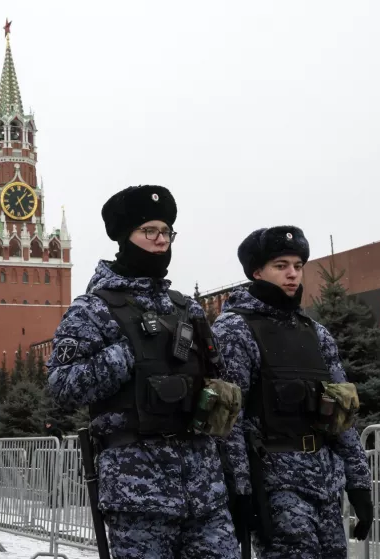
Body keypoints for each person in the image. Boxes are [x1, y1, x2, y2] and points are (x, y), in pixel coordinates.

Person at [47, 185, 241, 558]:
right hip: (138, 495)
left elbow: (220, 390)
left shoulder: (187, 309)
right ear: (125, 237)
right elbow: (62, 385)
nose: (160, 241)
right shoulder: (93, 309)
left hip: (205, 492)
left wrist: (237, 481)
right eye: (149, 231)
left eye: (166, 231)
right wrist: (127, 353)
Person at [211, 226, 374, 558]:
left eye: (298, 266)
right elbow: (230, 421)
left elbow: (342, 414)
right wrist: (240, 491)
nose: (292, 274)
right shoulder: (235, 330)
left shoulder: (316, 334)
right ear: (257, 272)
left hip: (325, 485)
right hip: (276, 488)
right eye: (280, 265)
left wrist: (359, 484)